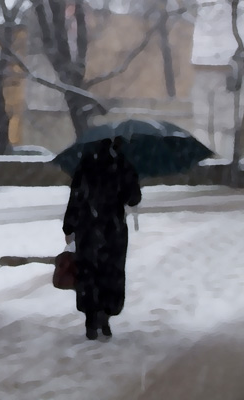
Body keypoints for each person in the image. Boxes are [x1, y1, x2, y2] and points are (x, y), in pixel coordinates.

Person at [62, 137, 141, 340]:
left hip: (87, 229)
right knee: (111, 273)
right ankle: (105, 315)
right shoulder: (123, 165)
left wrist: (69, 226)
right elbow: (134, 198)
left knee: (88, 272)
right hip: (113, 230)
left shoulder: (86, 164)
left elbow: (76, 197)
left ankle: (91, 318)